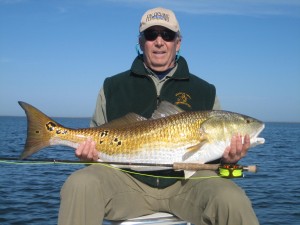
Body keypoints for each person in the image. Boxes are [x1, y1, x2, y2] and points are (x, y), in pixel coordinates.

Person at [58, 7, 259, 225]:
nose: (159, 41)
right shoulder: (113, 86)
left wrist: (229, 160)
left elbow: (217, 161)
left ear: (178, 42)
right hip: (127, 183)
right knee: (80, 183)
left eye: (168, 35)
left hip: (187, 186)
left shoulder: (205, 90)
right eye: (151, 34)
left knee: (232, 199)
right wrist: (88, 157)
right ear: (141, 41)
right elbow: (96, 136)